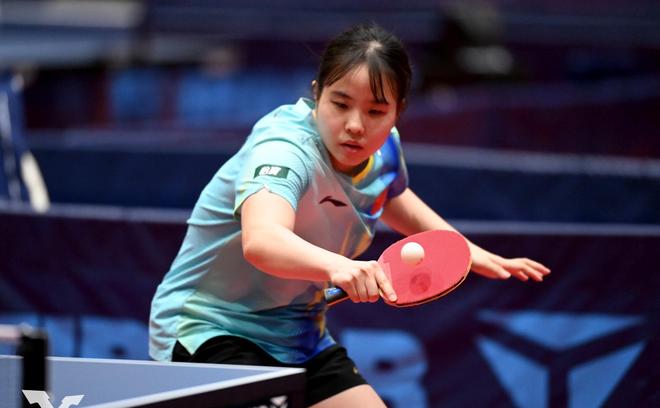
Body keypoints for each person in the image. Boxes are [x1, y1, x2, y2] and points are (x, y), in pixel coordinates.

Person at [149, 23, 550, 407]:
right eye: (340, 104)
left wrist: (461, 249)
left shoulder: (384, 149)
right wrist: (340, 267)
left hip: (298, 335)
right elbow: (262, 240)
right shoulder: (284, 152)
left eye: (376, 111)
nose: (356, 126)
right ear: (316, 93)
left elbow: (390, 194)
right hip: (211, 329)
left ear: (398, 111)